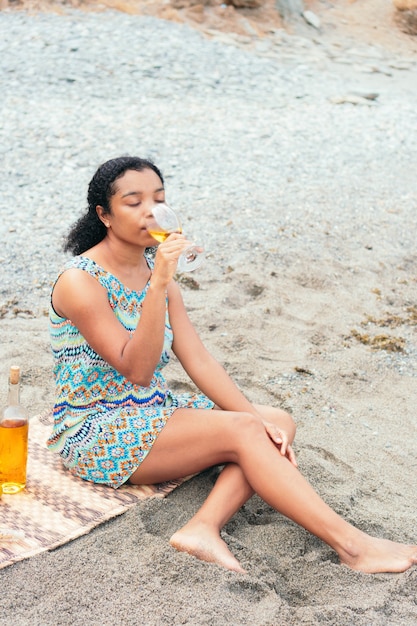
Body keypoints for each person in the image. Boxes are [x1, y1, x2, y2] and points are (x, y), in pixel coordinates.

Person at [47, 155, 417, 575]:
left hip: (151, 412)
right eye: (134, 202)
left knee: (273, 422)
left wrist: (254, 416)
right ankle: (353, 547)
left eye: (160, 199)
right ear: (104, 215)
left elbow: (198, 359)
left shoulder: (155, 274)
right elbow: (138, 369)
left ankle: (203, 526)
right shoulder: (82, 281)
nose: (152, 211)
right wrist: (160, 283)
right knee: (246, 429)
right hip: (94, 429)